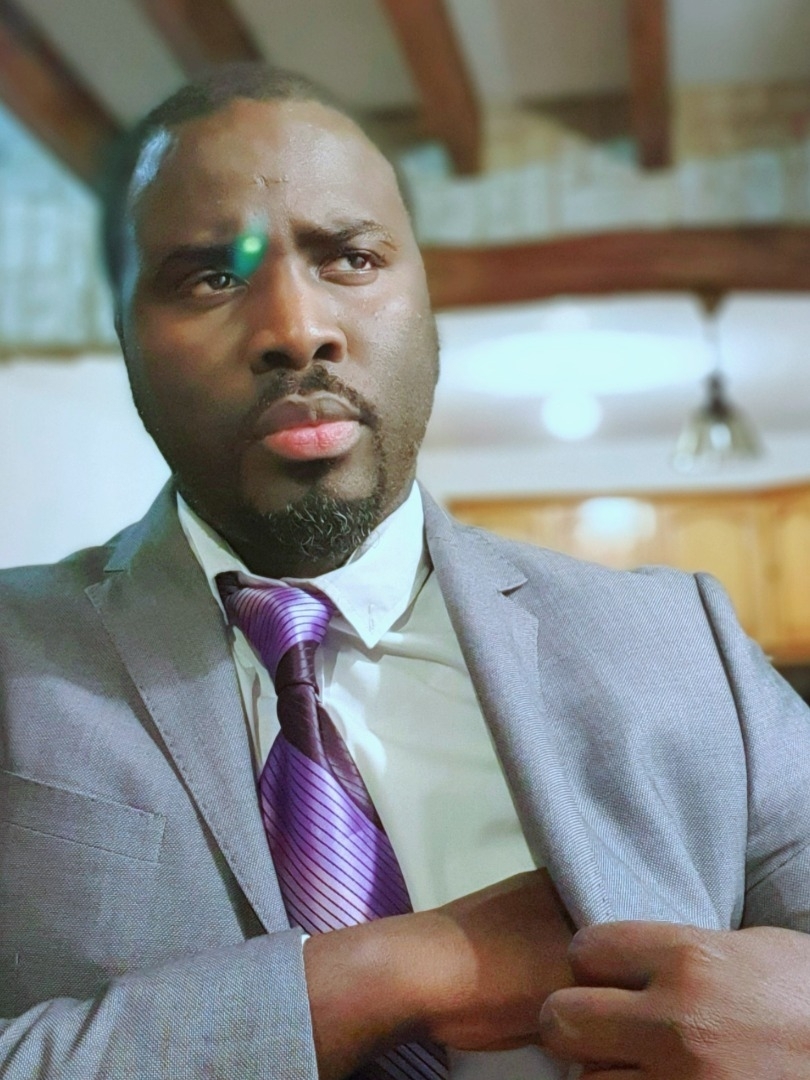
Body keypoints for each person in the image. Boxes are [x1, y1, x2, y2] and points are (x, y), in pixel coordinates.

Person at [2, 63, 810, 1080]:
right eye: (210, 276)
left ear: (426, 302)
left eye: (350, 257)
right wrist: (385, 976)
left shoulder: (684, 643)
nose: (296, 330)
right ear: (126, 336)